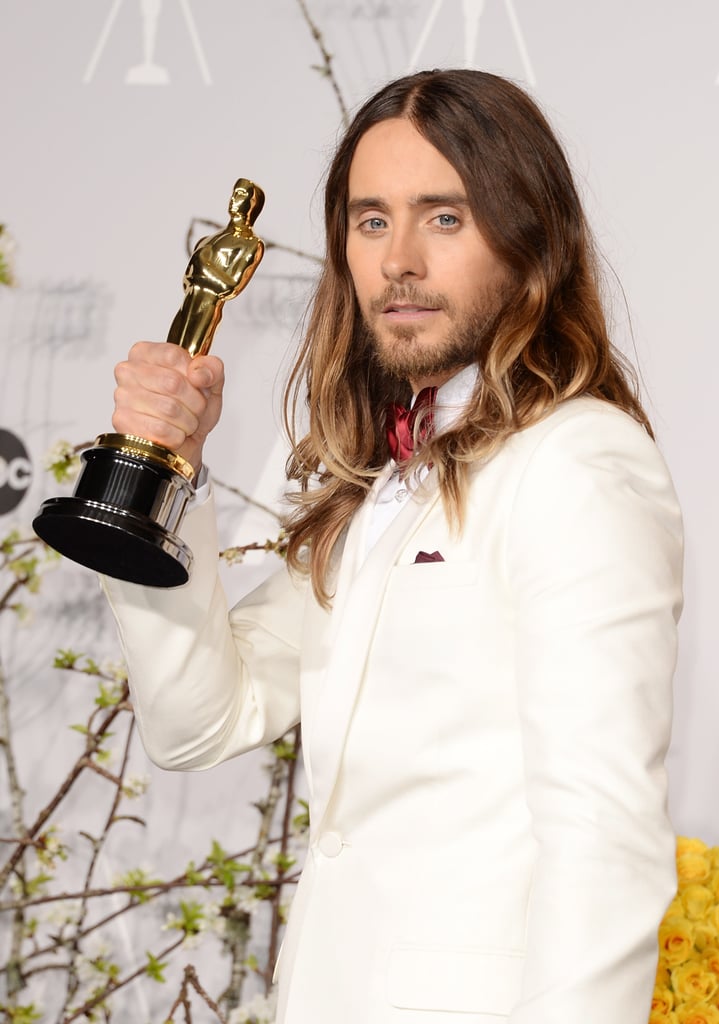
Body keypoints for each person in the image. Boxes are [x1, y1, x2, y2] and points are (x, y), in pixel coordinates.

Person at [103, 70, 683, 1024]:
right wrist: (163, 475)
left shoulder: (579, 462)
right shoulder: (378, 477)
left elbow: (604, 843)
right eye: (371, 221)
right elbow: (199, 723)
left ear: (528, 237)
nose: (399, 260)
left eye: (444, 218)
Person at [166, 177, 265, 357]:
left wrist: (203, 265)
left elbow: (230, 286)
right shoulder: (207, 240)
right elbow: (188, 278)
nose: (234, 199)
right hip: (189, 303)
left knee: (188, 362)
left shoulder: (250, 244)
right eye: (234, 194)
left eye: (241, 194)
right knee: (169, 355)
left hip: (207, 306)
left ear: (253, 204)